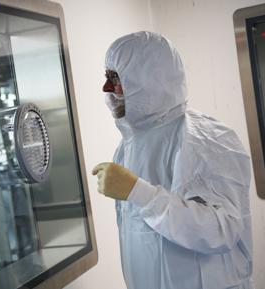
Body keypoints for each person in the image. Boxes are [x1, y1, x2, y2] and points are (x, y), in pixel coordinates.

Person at [92, 31, 254, 289]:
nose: (106, 88)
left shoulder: (207, 140)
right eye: (106, 76)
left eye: (115, 77)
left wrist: (140, 192)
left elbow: (224, 231)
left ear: (149, 78)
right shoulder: (126, 147)